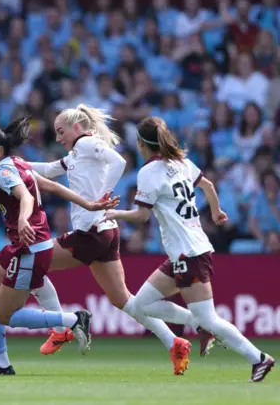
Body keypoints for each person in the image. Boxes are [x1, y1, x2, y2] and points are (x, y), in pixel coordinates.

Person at [28, 105, 214, 375]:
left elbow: (119, 162)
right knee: (124, 300)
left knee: (32, 264)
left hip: (91, 231)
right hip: (106, 231)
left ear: (76, 128)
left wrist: (100, 197)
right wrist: (13, 164)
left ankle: (60, 329)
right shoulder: (77, 153)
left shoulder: (88, 143)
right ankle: (177, 338)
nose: (58, 139)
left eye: (61, 132)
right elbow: (48, 169)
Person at [103, 116, 275, 383]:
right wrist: (216, 211)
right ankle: (198, 326)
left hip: (189, 254)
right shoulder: (181, 163)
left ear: (141, 143)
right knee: (141, 305)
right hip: (185, 252)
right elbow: (207, 185)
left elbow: (142, 217)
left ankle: (258, 358)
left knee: (210, 318)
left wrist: (113, 213)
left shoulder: (148, 172)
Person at [0, 117, 120, 376]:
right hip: (23, 245)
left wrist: (22, 218)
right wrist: (90, 204)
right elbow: (51, 186)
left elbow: (26, 197)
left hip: (30, 248)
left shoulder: (5, 172)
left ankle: (72, 320)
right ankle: (1, 364)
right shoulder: (17, 164)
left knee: (5, 316)